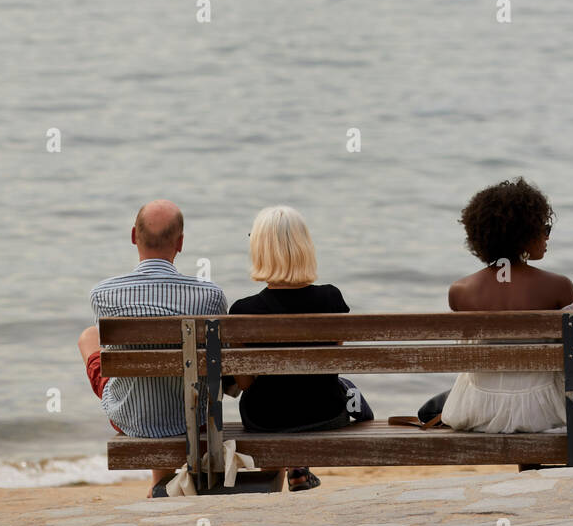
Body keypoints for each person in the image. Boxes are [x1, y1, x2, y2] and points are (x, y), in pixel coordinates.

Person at [78, 199, 227, 494]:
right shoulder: (210, 296)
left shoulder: (103, 294)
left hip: (130, 418)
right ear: (180, 243)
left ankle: (161, 484)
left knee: (88, 337)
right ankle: (161, 484)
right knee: (179, 373)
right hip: (190, 416)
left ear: (134, 236)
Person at [417, 178, 573, 432]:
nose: (547, 237)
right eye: (543, 229)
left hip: (477, 408)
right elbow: (572, 362)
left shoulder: (460, 291)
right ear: (525, 235)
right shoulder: (559, 287)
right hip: (541, 411)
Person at [229, 205, 370, 491]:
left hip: (264, 419)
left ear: (259, 249)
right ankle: (297, 465)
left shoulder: (243, 312)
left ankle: (277, 484)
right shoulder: (332, 300)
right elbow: (330, 366)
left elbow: (244, 384)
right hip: (325, 415)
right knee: (315, 391)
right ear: (304, 246)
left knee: (271, 401)